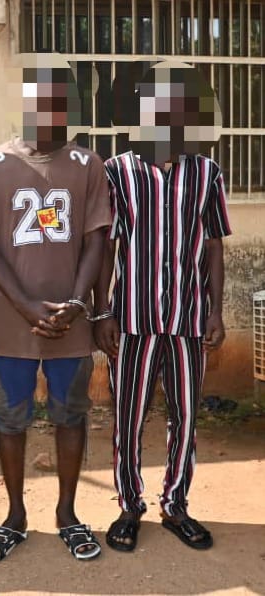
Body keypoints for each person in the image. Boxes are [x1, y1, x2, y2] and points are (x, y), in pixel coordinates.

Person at [0, 55, 110, 562]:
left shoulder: (88, 165)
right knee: (10, 418)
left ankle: (67, 514)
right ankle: (15, 516)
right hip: (11, 324)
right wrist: (27, 305)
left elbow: (97, 241)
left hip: (70, 325)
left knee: (70, 415)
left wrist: (78, 303)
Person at [95, 62, 229, 553]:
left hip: (189, 321)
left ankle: (176, 505)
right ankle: (129, 506)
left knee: (185, 418)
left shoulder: (207, 173)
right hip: (132, 322)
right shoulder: (117, 172)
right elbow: (106, 247)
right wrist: (103, 313)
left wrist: (215, 311)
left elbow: (214, 245)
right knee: (127, 418)